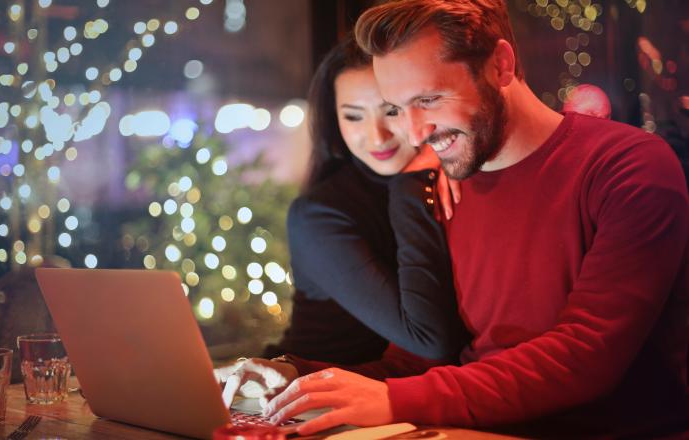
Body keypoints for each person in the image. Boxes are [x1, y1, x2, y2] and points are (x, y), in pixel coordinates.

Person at [222, 0, 689, 437]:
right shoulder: (447, 183)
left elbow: (587, 354)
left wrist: (393, 399)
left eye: (427, 100)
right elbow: (418, 365)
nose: (413, 132)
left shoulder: (628, 166)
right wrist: (296, 378)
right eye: (397, 107)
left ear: (501, 66)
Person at [216, 36, 470, 402]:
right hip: (299, 397)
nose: (376, 135)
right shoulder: (320, 215)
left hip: (382, 398)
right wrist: (412, 182)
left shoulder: (447, 181)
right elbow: (431, 340)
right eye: (353, 115)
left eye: (391, 111)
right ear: (334, 121)